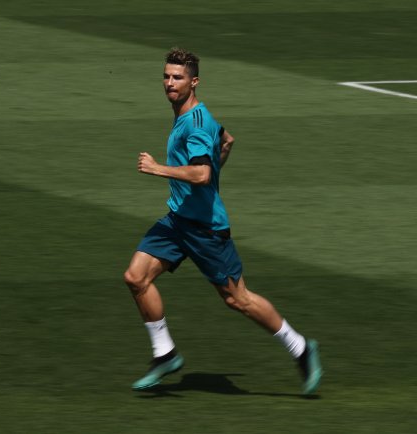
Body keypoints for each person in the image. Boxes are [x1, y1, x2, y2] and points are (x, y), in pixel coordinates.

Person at [124, 48, 322, 394]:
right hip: (177, 220)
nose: (170, 83)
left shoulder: (197, 123)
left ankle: (301, 347)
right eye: (167, 76)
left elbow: (201, 173)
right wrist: (215, 168)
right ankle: (165, 353)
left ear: (194, 81)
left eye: (178, 77)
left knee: (237, 299)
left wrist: (159, 169)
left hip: (205, 229)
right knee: (135, 277)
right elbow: (227, 140)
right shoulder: (192, 117)